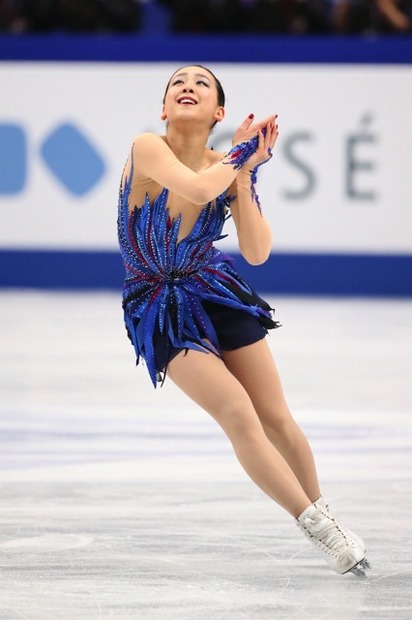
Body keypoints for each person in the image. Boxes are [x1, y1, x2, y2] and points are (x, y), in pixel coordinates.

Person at [117, 64, 370, 577]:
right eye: (177, 83)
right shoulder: (147, 147)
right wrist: (241, 154)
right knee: (237, 411)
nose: (188, 86)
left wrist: (248, 172)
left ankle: (326, 513)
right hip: (158, 304)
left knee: (276, 416)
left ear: (219, 112)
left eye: (201, 84)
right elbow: (198, 187)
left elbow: (256, 252)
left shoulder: (225, 165)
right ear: (165, 108)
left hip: (214, 288)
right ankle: (318, 531)